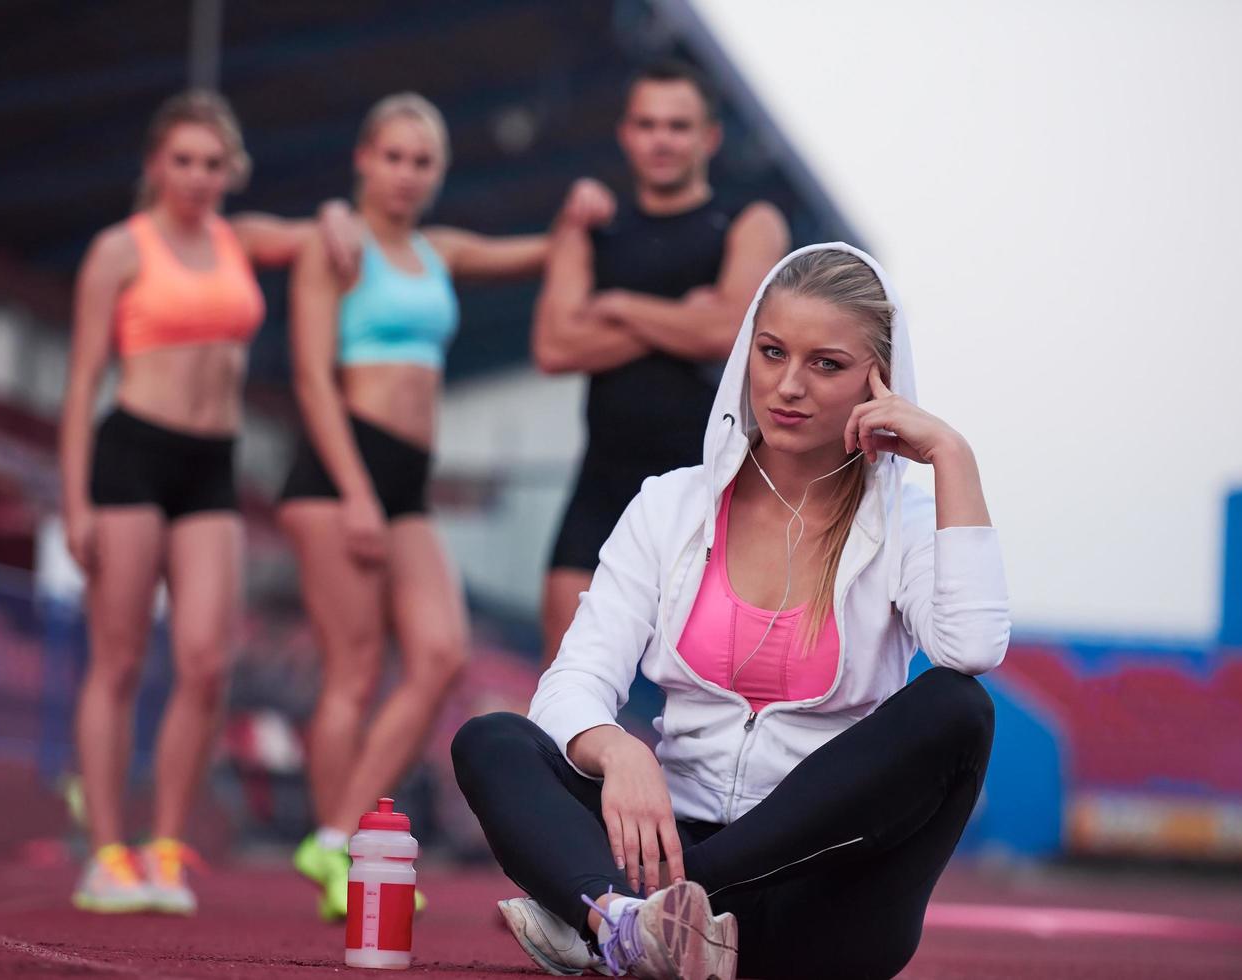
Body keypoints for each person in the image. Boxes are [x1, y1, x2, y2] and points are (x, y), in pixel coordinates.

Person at [454, 244, 1010, 980]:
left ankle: (613, 918)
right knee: (493, 741)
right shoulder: (670, 506)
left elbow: (969, 647)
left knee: (957, 708)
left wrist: (950, 456)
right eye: (772, 351)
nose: (787, 386)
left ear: (880, 383)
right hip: (664, 841)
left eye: (826, 364)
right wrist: (616, 749)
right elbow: (571, 681)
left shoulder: (904, 521)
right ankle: (626, 926)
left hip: (816, 905)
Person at [278, 92, 612, 920]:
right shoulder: (337, 247)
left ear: (437, 173)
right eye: (391, 156)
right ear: (363, 160)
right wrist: (354, 490)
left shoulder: (439, 250)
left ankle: (334, 836)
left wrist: (577, 215)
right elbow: (311, 377)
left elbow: (541, 252)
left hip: (408, 482)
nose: (405, 174)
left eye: (422, 161)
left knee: (438, 654)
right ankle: (338, 849)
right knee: (352, 670)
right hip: (337, 467)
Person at [60, 89, 359, 915]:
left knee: (205, 662)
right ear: (156, 165)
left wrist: (334, 208)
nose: (196, 176)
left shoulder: (238, 238)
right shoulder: (120, 250)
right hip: (131, 454)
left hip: (211, 465)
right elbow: (83, 381)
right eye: (182, 160)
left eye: (211, 162)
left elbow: (323, 232)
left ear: (231, 170)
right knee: (118, 660)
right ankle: (105, 854)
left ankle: (163, 851)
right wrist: (76, 500)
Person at [533, 59, 790, 667]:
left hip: (709, 491)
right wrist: (681, 318)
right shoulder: (592, 228)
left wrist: (617, 307)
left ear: (709, 137)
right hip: (599, 485)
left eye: (678, 126)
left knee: (715, 687)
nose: (662, 139)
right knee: (564, 679)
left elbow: (730, 330)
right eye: (648, 124)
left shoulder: (749, 221)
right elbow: (553, 348)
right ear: (626, 133)